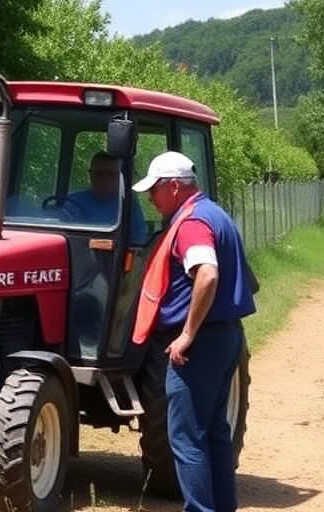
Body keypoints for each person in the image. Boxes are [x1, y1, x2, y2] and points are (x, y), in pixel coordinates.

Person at [131, 151, 256, 512]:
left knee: (186, 439)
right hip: (225, 337)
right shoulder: (215, 214)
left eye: (154, 190)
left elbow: (208, 273)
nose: (150, 199)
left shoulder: (191, 223)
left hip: (199, 345)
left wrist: (185, 334)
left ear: (174, 186)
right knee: (215, 432)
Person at [66, 151, 148, 245]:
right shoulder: (72, 201)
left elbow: (137, 241)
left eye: (110, 174)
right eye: (98, 173)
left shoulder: (127, 204)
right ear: (90, 175)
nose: (103, 179)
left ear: (119, 177)